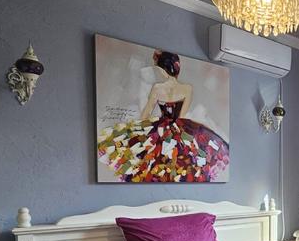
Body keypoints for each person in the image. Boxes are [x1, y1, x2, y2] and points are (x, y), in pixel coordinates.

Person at [98, 50, 230, 182]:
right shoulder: (187, 88)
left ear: (163, 69)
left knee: (152, 161)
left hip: (161, 127)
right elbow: (182, 116)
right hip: (179, 127)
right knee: (184, 162)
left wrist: (142, 128)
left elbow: (146, 113)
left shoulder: (157, 88)